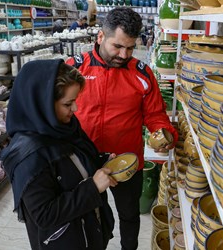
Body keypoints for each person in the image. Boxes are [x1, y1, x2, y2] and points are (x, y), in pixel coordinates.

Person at [66, 7, 178, 250]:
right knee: (89, 214)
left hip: (127, 162)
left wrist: (164, 132)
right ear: (100, 37)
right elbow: (57, 112)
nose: (124, 54)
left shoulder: (142, 73)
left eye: (130, 47)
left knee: (129, 215)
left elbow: (155, 114)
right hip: (84, 162)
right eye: (117, 46)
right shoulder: (74, 69)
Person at [0, 59, 118, 249]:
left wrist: (101, 162)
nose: (75, 109)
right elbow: (44, 214)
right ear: (42, 103)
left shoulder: (62, 127)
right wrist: (93, 187)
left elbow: (73, 162)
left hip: (88, 230)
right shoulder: (29, 155)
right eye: (68, 103)